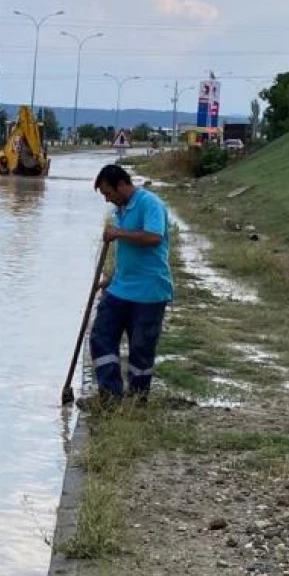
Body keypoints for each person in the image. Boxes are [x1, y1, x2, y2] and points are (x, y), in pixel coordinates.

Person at [82, 164, 173, 407]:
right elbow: (130, 257)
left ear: (122, 185)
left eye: (108, 193)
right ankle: (110, 397)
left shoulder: (149, 204)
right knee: (101, 336)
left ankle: (137, 401)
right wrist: (110, 280)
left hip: (149, 291)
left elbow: (154, 238)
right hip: (121, 289)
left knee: (141, 348)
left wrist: (119, 233)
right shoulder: (121, 209)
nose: (107, 199)